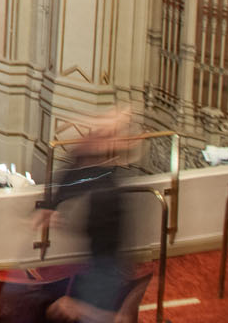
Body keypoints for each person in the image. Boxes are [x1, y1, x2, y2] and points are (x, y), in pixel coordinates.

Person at [34, 109, 137, 323]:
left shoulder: (104, 187)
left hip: (105, 268)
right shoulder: (93, 176)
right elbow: (75, 167)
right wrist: (52, 206)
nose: (92, 136)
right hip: (96, 263)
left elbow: (120, 320)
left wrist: (77, 308)